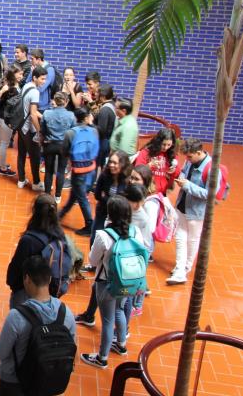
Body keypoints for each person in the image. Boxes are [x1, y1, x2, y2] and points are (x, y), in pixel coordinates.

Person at [0, 255, 77, 394]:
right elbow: (73, 350)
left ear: (26, 279)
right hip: (47, 381)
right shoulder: (66, 314)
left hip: (15, 383)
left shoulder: (16, 317)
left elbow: (1, 353)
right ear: (50, 278)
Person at [80, 196, 144, 370]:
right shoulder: (135, 231)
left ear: (110, 214)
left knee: (107, 320)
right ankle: (121, 344)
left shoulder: (103, 235)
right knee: (120, 310)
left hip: (106, 283)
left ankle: (102, 358)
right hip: (129, 282)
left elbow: (93, 262)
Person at [74, 150, 132, 327]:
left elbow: (123, 200)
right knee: (95, 241)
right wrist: (110, 201)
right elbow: (97, 193)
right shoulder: (105, 177)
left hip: (115, 223)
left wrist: (112, 201)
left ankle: (107, 325)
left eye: (116, 163)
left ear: (122, 165)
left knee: (106, 295)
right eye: (111, 162)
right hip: (102, 215)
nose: (112, 165)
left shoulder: (127, 181)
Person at [6, 194, 65, 308]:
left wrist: (13, 284)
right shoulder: (60, 236)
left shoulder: (29, 240)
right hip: (48, 292)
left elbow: (16, 267)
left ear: (35, 212)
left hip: (27, 292)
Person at [168, 139, 213, 286]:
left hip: (196, 212)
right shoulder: (190, 162)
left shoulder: (212, 169)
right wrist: (181, 177)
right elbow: (183, 173)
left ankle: (185, 268)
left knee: (192, 240)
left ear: (199, 153)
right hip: (182, 205)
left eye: (189, 157)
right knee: (180, 237)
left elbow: (208, 194)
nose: (187, 160)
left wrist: (188, 185)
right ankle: (180, 269)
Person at [59, 107, 100, 234]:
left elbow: (64, 151)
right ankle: (60, 214)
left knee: (81, 197)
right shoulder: (94, 131)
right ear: (87, 117)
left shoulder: (70, 133)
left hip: (78, 171)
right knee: (77, 194)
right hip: (91, 169)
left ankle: (89, 225)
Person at [124, 181, 154, 317]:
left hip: (138, 253)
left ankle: (138, 305)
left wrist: (142, 257)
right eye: (134, 202)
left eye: (140, 202)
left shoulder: (143, 219)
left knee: (139, 280)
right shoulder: (125, 210)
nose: (138, 206)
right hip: (126, 251)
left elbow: (147, 243)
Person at [42, 92, 76, 204]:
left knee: (48, 171)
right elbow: (73, 131)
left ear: (55, 101)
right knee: (61, 171)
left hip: (50, 144)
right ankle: (58, 196)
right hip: (63, 145)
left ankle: (47, 194)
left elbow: (43, 130)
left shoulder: (47, 113)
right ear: (66, 102)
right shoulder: (71, 115)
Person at [17, 66, 47, 191]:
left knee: (21, 154)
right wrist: (39, 131)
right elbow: (33, 114)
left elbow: (29, 110)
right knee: (35, 156)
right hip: (29, 129)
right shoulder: (35, 92)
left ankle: (21, 179)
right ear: (35, 77)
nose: (43, 81)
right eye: (42, 79)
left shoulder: (26, 86)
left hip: (21, 125)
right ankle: (36, 183)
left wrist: (45, 115)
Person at [0, 67, 23, 176]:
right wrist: (2, 90)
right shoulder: (9, 88)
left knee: (1, 141)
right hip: (6, 119)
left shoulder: (11, 85)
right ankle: (3, 168)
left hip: (2, 118)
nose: (21, 76)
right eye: (19, 74)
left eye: (22, 74)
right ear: (13, 74)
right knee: (4, 143)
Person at [134, 127, 181, 194]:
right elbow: (137, 169)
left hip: (163, 192)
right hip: (147, 190)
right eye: (163, 144)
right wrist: (149, 165)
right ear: (158, 142)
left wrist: (174, 171)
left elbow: (177, 173)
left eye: (169, 145)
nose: (166, 147)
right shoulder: (146, 152)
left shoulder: (171, 154)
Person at [95, 84, 117, 170]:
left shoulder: (105, 109)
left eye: (98, 93)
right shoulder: (113, 106)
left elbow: (102, 130)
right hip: (108, 141)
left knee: (99, 164)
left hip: (103, 142)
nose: (96, 94)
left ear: (103, 96)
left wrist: (91, 125)